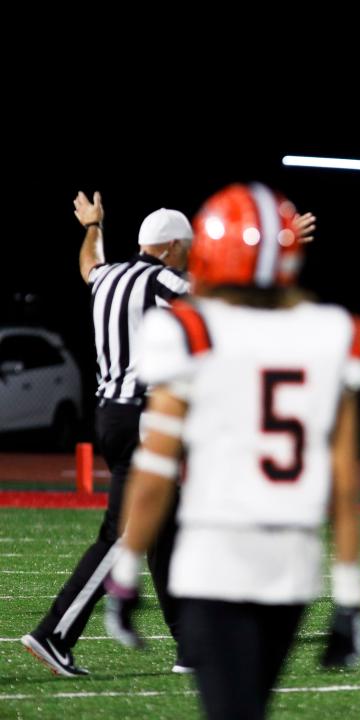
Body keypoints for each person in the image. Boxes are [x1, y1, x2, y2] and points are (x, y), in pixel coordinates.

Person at [102, 182, 360, 720]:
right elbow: (344, 481)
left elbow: (154, 471)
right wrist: (348, 595)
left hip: (215, 559)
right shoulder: (333, 331)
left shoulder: (187, 328)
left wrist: (126, 571)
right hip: (291, 567)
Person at [21, 191, 191, 677]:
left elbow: (88, 264)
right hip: (143, 417)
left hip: (111, 415)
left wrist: (92, 226)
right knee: (126, 532)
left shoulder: (108, 276)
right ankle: (54, 632)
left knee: (167, 528)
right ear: (174, 246)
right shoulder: (168, 280)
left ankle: (191, 646)